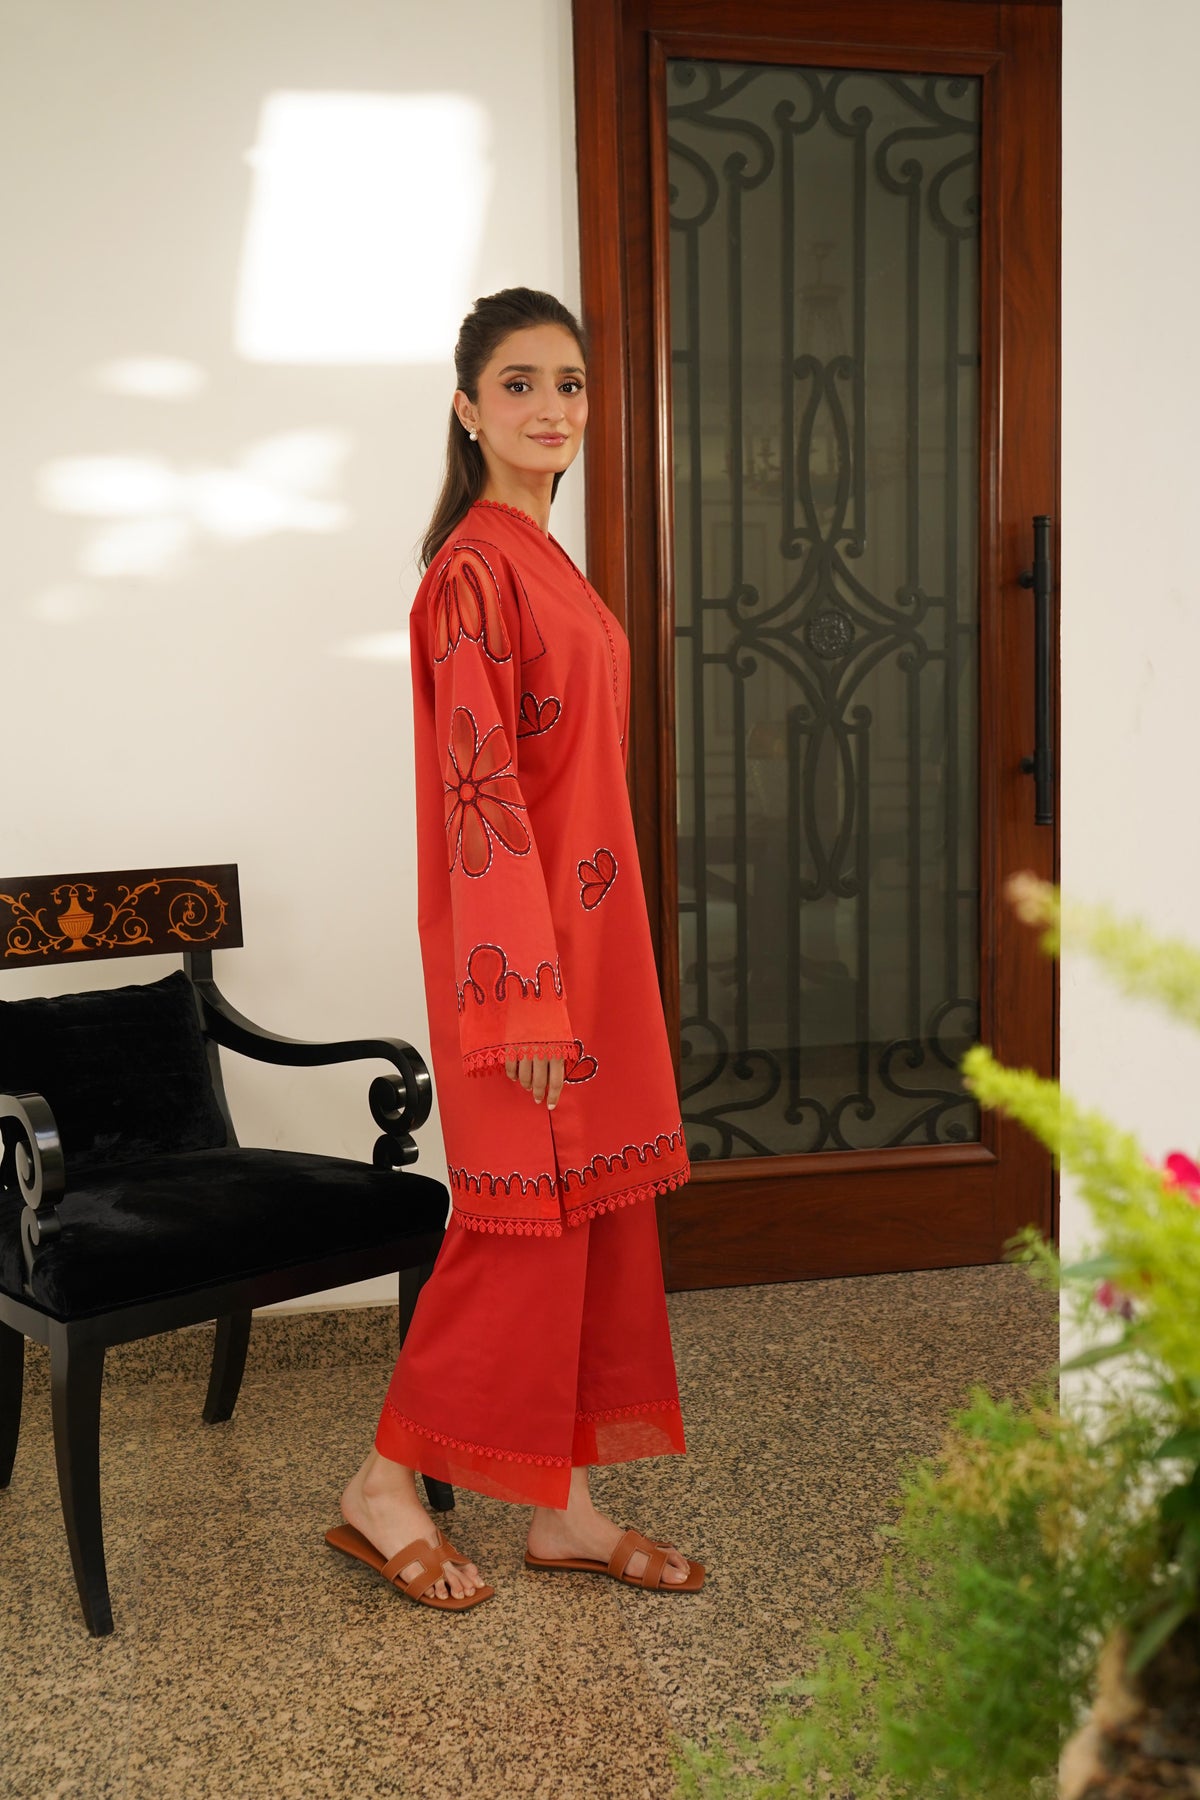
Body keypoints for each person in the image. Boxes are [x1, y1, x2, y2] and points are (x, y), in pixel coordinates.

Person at [325, 287, 703, 1610]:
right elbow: (478, 808)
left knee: (591, 1220)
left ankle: (566, 1510)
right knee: (514, 1235)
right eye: (521, 385)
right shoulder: (472, 574)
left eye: (570, 385)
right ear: (468, 408)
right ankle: (384, 1486)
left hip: (594, 947)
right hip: (521, 971)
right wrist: (522, 1001)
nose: (552, 409)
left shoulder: (548, 561)